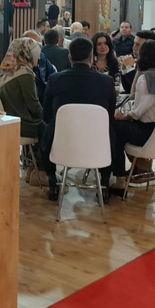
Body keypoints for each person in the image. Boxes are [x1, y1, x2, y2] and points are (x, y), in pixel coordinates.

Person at [42, 37, 116, 202]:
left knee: (47, 128)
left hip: (63, 141)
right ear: (91, 58)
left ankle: (53, 182)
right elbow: (110, 115)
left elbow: (46, 115)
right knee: (111, 129)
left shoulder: (55, 79)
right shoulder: (107, 81)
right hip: (98, 143)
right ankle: (104, 184)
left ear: (69, 57)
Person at [106, 40, 155, 197]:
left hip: (150, 133)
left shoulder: (147, 78)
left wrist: (122, 116)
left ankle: (119, 178)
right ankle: (133, 170)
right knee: (119, 129)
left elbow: (137, 113)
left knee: (113, 126)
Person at [0, 38, 47, 185]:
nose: (39, 57)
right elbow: (33, 105)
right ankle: (41, 172)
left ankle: (31, 165)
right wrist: (48, 116)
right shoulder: (24, 74)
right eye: (37, 53)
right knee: (49, 127)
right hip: (21, 123)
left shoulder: (7, 69)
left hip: (9, 119)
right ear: (27, 53)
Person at [24, 30, 56, 103]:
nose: (38, 48)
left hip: (44, 97)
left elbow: (53, 75)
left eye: (39, 45)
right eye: (34, 45)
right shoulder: (19, 62)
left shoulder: (42, 57)